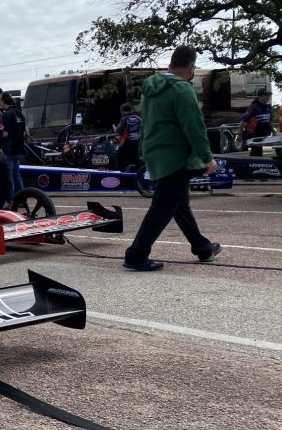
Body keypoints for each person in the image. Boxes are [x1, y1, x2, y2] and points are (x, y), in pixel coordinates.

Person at [123, 45, 221, 271]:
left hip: (155, 153)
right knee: (164, 206)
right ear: (191, 66)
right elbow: (194, 127)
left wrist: (142, 150)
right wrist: (207, 157)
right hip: (177, 157)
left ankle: (203, 248)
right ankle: (136, 255)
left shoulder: (151, 88)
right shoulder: (182, 90)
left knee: (178, 204)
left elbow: (147, 123)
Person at [0, 92, 26, 200]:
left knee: (9, 176)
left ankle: (11, 199)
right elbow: (24, 132)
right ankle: (22, 197)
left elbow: (5, 133)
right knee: (17, 175)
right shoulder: (19, 113)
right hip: (19, 147)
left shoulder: (6, 115)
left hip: (9, 148)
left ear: (3, 101)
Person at [241, 88, 273, 156]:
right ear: (260, 96)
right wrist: (240, 134)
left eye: (269, 95)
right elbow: (243, 121)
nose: (268, 97)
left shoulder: (268, 108)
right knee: (256, 152)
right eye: (266, 95)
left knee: (259, 152)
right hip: (254, 134)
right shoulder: (253, 107)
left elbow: (270, 120)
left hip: (264, 134)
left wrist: (273, 131)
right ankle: (251, 164)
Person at [115, 102, 143, 172]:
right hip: (138, 142)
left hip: (127, 141)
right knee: (136, 159)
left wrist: (115, 129)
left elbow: (118, 131)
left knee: (119, 154)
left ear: (123, 111)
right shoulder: (138, 118)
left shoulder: (124, 118)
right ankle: (139, 173)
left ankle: (122, 172)